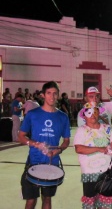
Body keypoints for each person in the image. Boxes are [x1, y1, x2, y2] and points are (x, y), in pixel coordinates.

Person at [18, 81, 71, 209]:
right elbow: (21, 136)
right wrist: (35, 144)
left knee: (47, 199)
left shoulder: (63, 117)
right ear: (43, 95)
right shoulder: (32, 114)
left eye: (55, 93)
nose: (52, 97)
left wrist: (58, 150)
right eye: (48, 93)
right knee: (31, 201)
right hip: (33, 162)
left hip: (52, 163)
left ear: (58, 95)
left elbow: (66, 141)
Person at [74, 102, 112, 209]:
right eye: (89, 112)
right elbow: (79, 148)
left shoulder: (107, 128)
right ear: (84, 115)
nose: (93, 115)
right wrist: (99, 149)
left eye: (95, 112)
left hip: (107, 173)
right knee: (90, 202)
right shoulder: (81, 130)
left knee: (106, 203)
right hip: (90, 173)